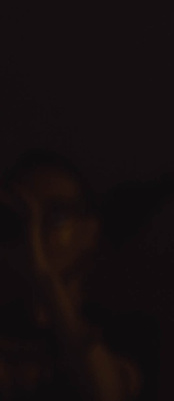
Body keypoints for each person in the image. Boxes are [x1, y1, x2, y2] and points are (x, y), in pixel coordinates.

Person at [0, 154, 144, 401]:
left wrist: (44, 278)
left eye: (55, 215)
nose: (33, 230)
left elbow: (105, 393)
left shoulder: (126, 329)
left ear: (90, 230)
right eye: (21, 216)